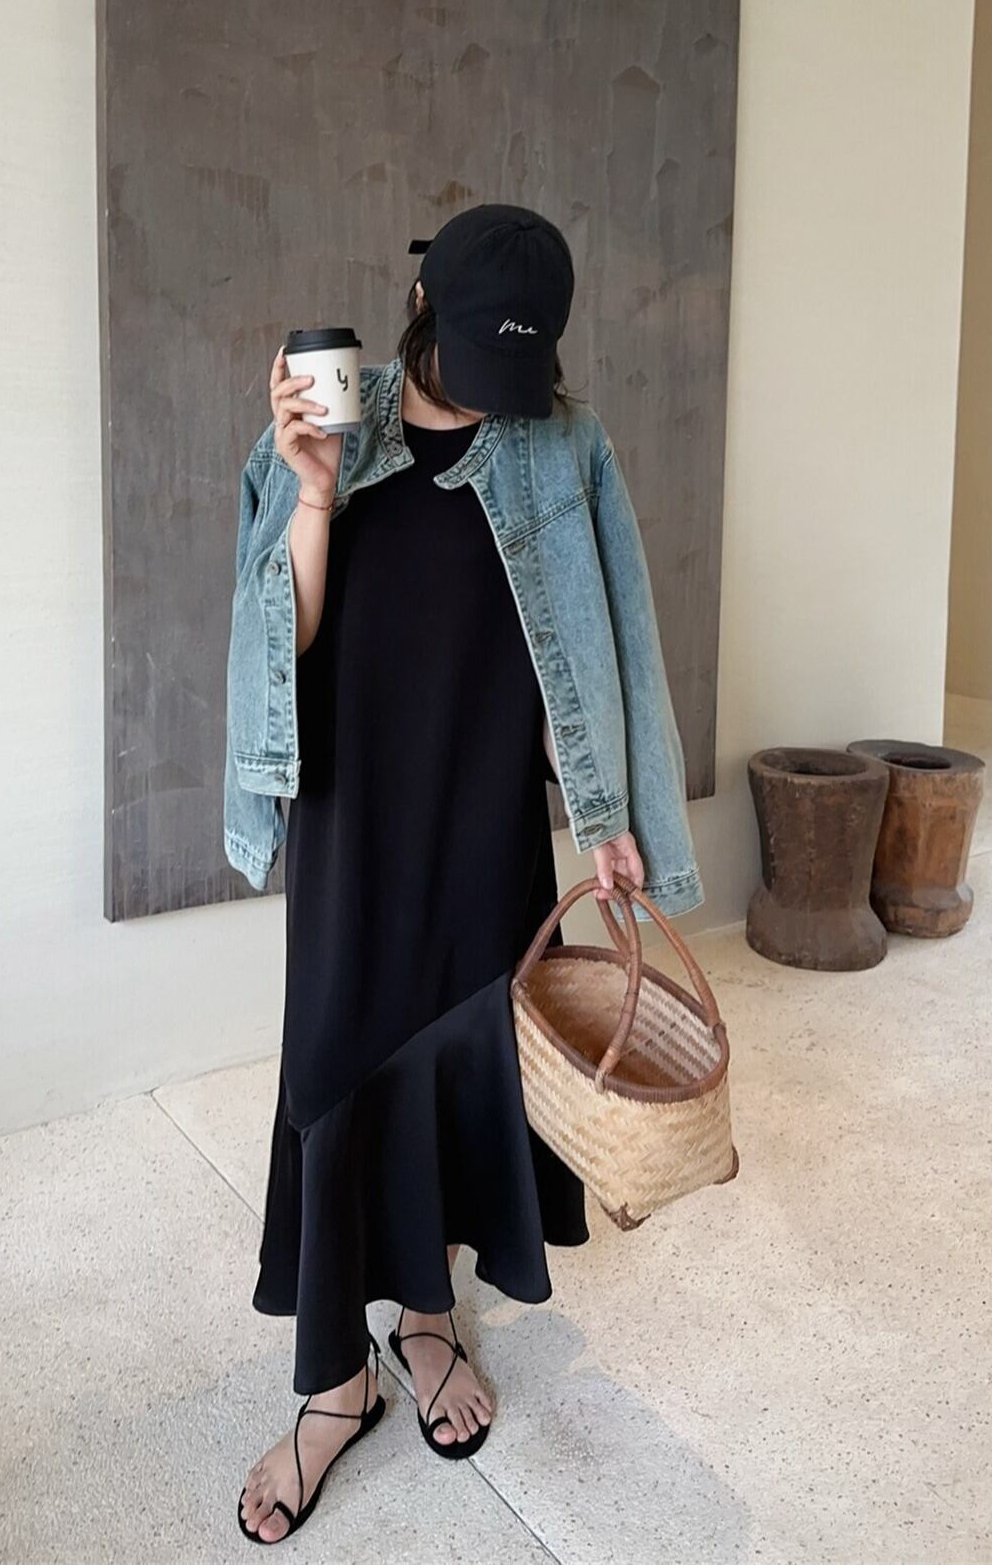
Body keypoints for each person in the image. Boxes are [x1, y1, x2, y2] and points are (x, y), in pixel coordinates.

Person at [228, 204, 704, 1545]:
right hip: (355, 823)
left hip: (487, 819)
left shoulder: (568, 444)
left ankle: (429, 1325)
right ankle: (334, 1388)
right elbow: (275, 641)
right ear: (421, 307)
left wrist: (609, 817)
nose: (497, 400)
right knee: (334, 1076)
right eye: (475, 366)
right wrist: (312, 488)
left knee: (460, 1061)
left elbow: (606, 645)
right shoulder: (330, 423)